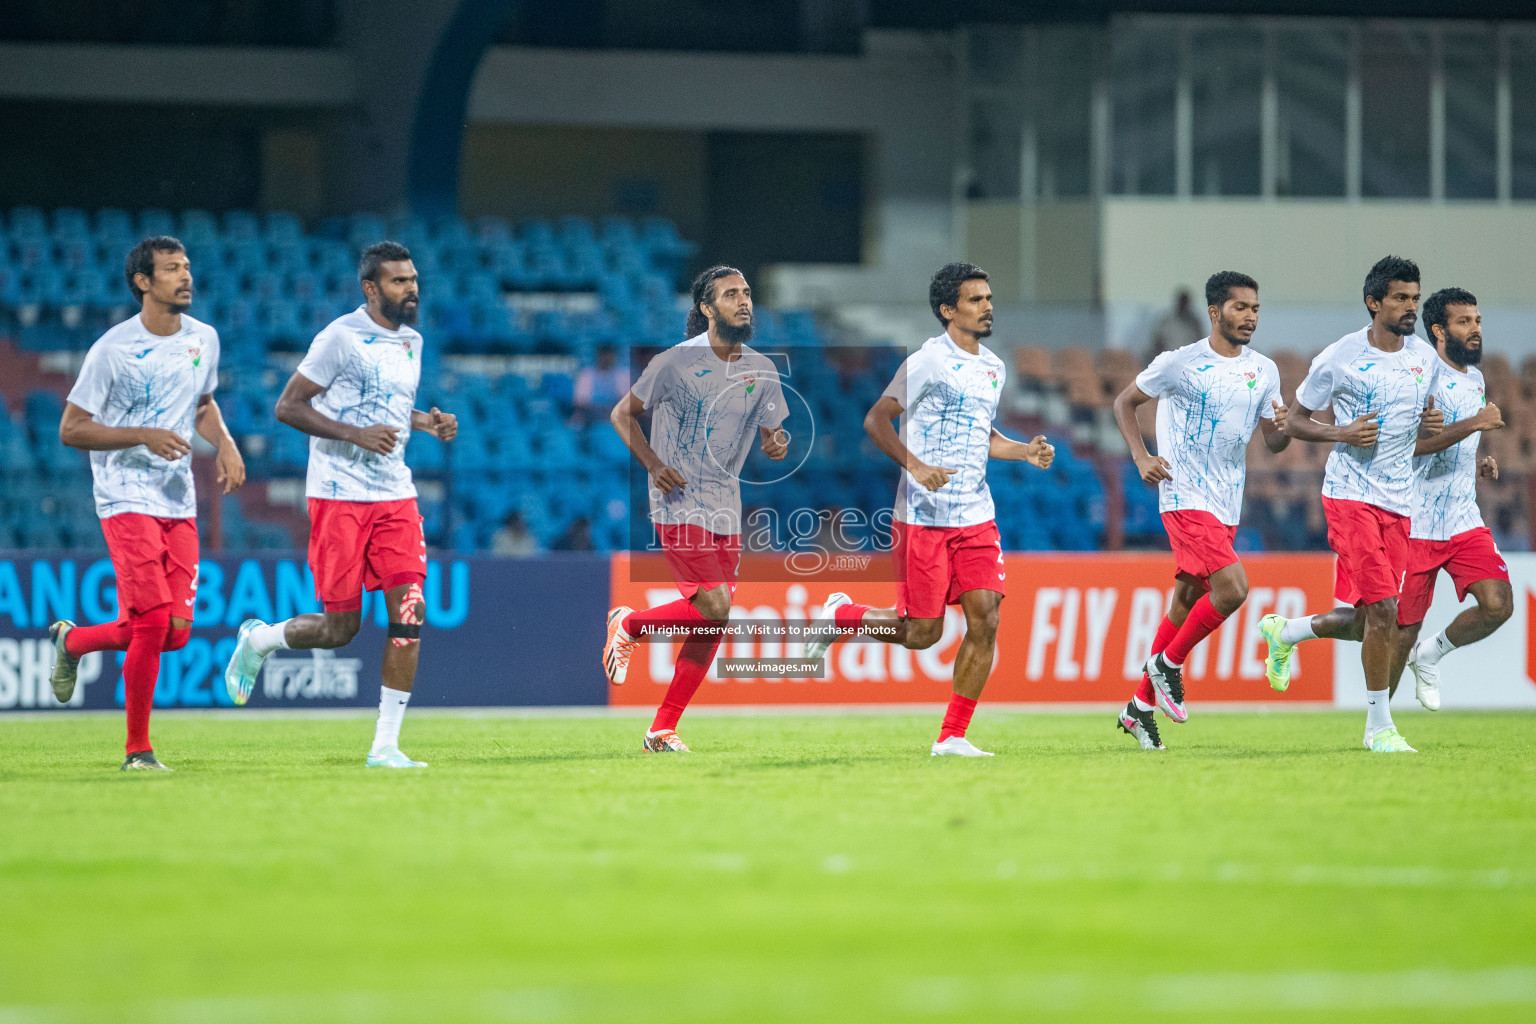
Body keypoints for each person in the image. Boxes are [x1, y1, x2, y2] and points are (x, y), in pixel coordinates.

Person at [802, 262, 1054, 757]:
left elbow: (981, 434)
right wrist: (915, 467)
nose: (988, 306)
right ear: (947, 310)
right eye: (975, 299)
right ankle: (842, 615)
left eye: (988, 297)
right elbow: (876, 420)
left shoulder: (994, 367)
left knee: (986, 618)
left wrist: (1023, 450)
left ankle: (952, 737)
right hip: (922, 517)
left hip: (976, 515)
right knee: (921, 633)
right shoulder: (926, 362)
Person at [222, 241, 458, 769]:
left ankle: (385, 746)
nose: (412, 288)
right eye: (399, 281)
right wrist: (355, 434)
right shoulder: (340, 338)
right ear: (371, 288)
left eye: (414, 278)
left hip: (395, 493)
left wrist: (427, 422)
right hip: (338, 493)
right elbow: (288, 406)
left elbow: (391, 408)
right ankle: (258, 640)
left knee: (410, 611)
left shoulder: (413, 342)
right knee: (339, 629)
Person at [47, 236, 245, 771]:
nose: (186, 277)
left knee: (174, 636)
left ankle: (74, 643)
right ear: (143, 282)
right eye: (172, 269)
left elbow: (202, 404)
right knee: (153, 620)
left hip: (177, 498)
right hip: (123, 494)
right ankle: (138, 750)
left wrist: (224, 443)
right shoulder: (112, 349)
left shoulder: (204, 338)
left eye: (187, 267)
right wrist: (141, 435)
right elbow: (71, 429)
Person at [1259, 256, 1444, 753]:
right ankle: (1378, 727)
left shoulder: (1425, 359)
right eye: (1401, 298)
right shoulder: (1339, 357)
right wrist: (1341, 431)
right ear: (1374, 302)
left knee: (1372, 621)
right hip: (1350, 496)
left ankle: (1288, 632)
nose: (1411, 306)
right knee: (1386, 610)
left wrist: (1430, 428)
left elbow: (1417, 429)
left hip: (1399, 503)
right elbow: (1292, 422)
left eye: (1414, 297)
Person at [601, 265, 788, 752]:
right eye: (731, 294)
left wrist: (777, 442)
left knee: (715, 619)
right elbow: (622, 415)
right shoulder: (673, 363)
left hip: (727, 508)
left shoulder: (763, 370)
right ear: (707, 308)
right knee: (715, 606)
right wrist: (653, 464)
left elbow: (774, 432)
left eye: (747, 293)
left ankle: (662, 727)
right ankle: (630, 625)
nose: (744, 301)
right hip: (678, 501)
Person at [1109, 271, 1289, 750]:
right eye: (1239, 308)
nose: (1250, 316)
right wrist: (1141, 456)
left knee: (1187, 600)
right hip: (1184, 493)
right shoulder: (1180, 363)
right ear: (1215, 312)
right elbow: (1125, 402)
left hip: (1228, 500)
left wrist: (1286, 426)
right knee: (1233, 587)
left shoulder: (1264, 369)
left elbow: (1273, 442)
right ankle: (1167, 664)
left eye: (1255, 308)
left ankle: (1138, 710)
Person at [1388, 288, 1510, 710]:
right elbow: (1411, 448)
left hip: (1462, 520)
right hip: (1416, 524)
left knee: (1498, 604)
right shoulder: (1421, 377)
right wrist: (1476, 422)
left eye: (1477, 321)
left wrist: (1479, 459)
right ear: (1439, 330)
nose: (1475, 330)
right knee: (1400, 632)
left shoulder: (1474, 377)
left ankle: (1432, 653)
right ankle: (1378, 723)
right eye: (1464, 322)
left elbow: (1454, 440)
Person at [571, 343, 629, 426]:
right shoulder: (586, 373)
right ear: (598, 356)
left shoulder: (623, 374)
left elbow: (625, 401)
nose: (606, 359)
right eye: (603, 355)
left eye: (609, 355)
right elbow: (580, 402)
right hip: (591, 415)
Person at [1148, 289, 1204, 360]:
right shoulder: (1167, 321)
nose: (1183, 304)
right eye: (1182, 301)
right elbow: (1157, 341)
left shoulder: (1194, 323)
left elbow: (1200, 342)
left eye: (1185, 302)